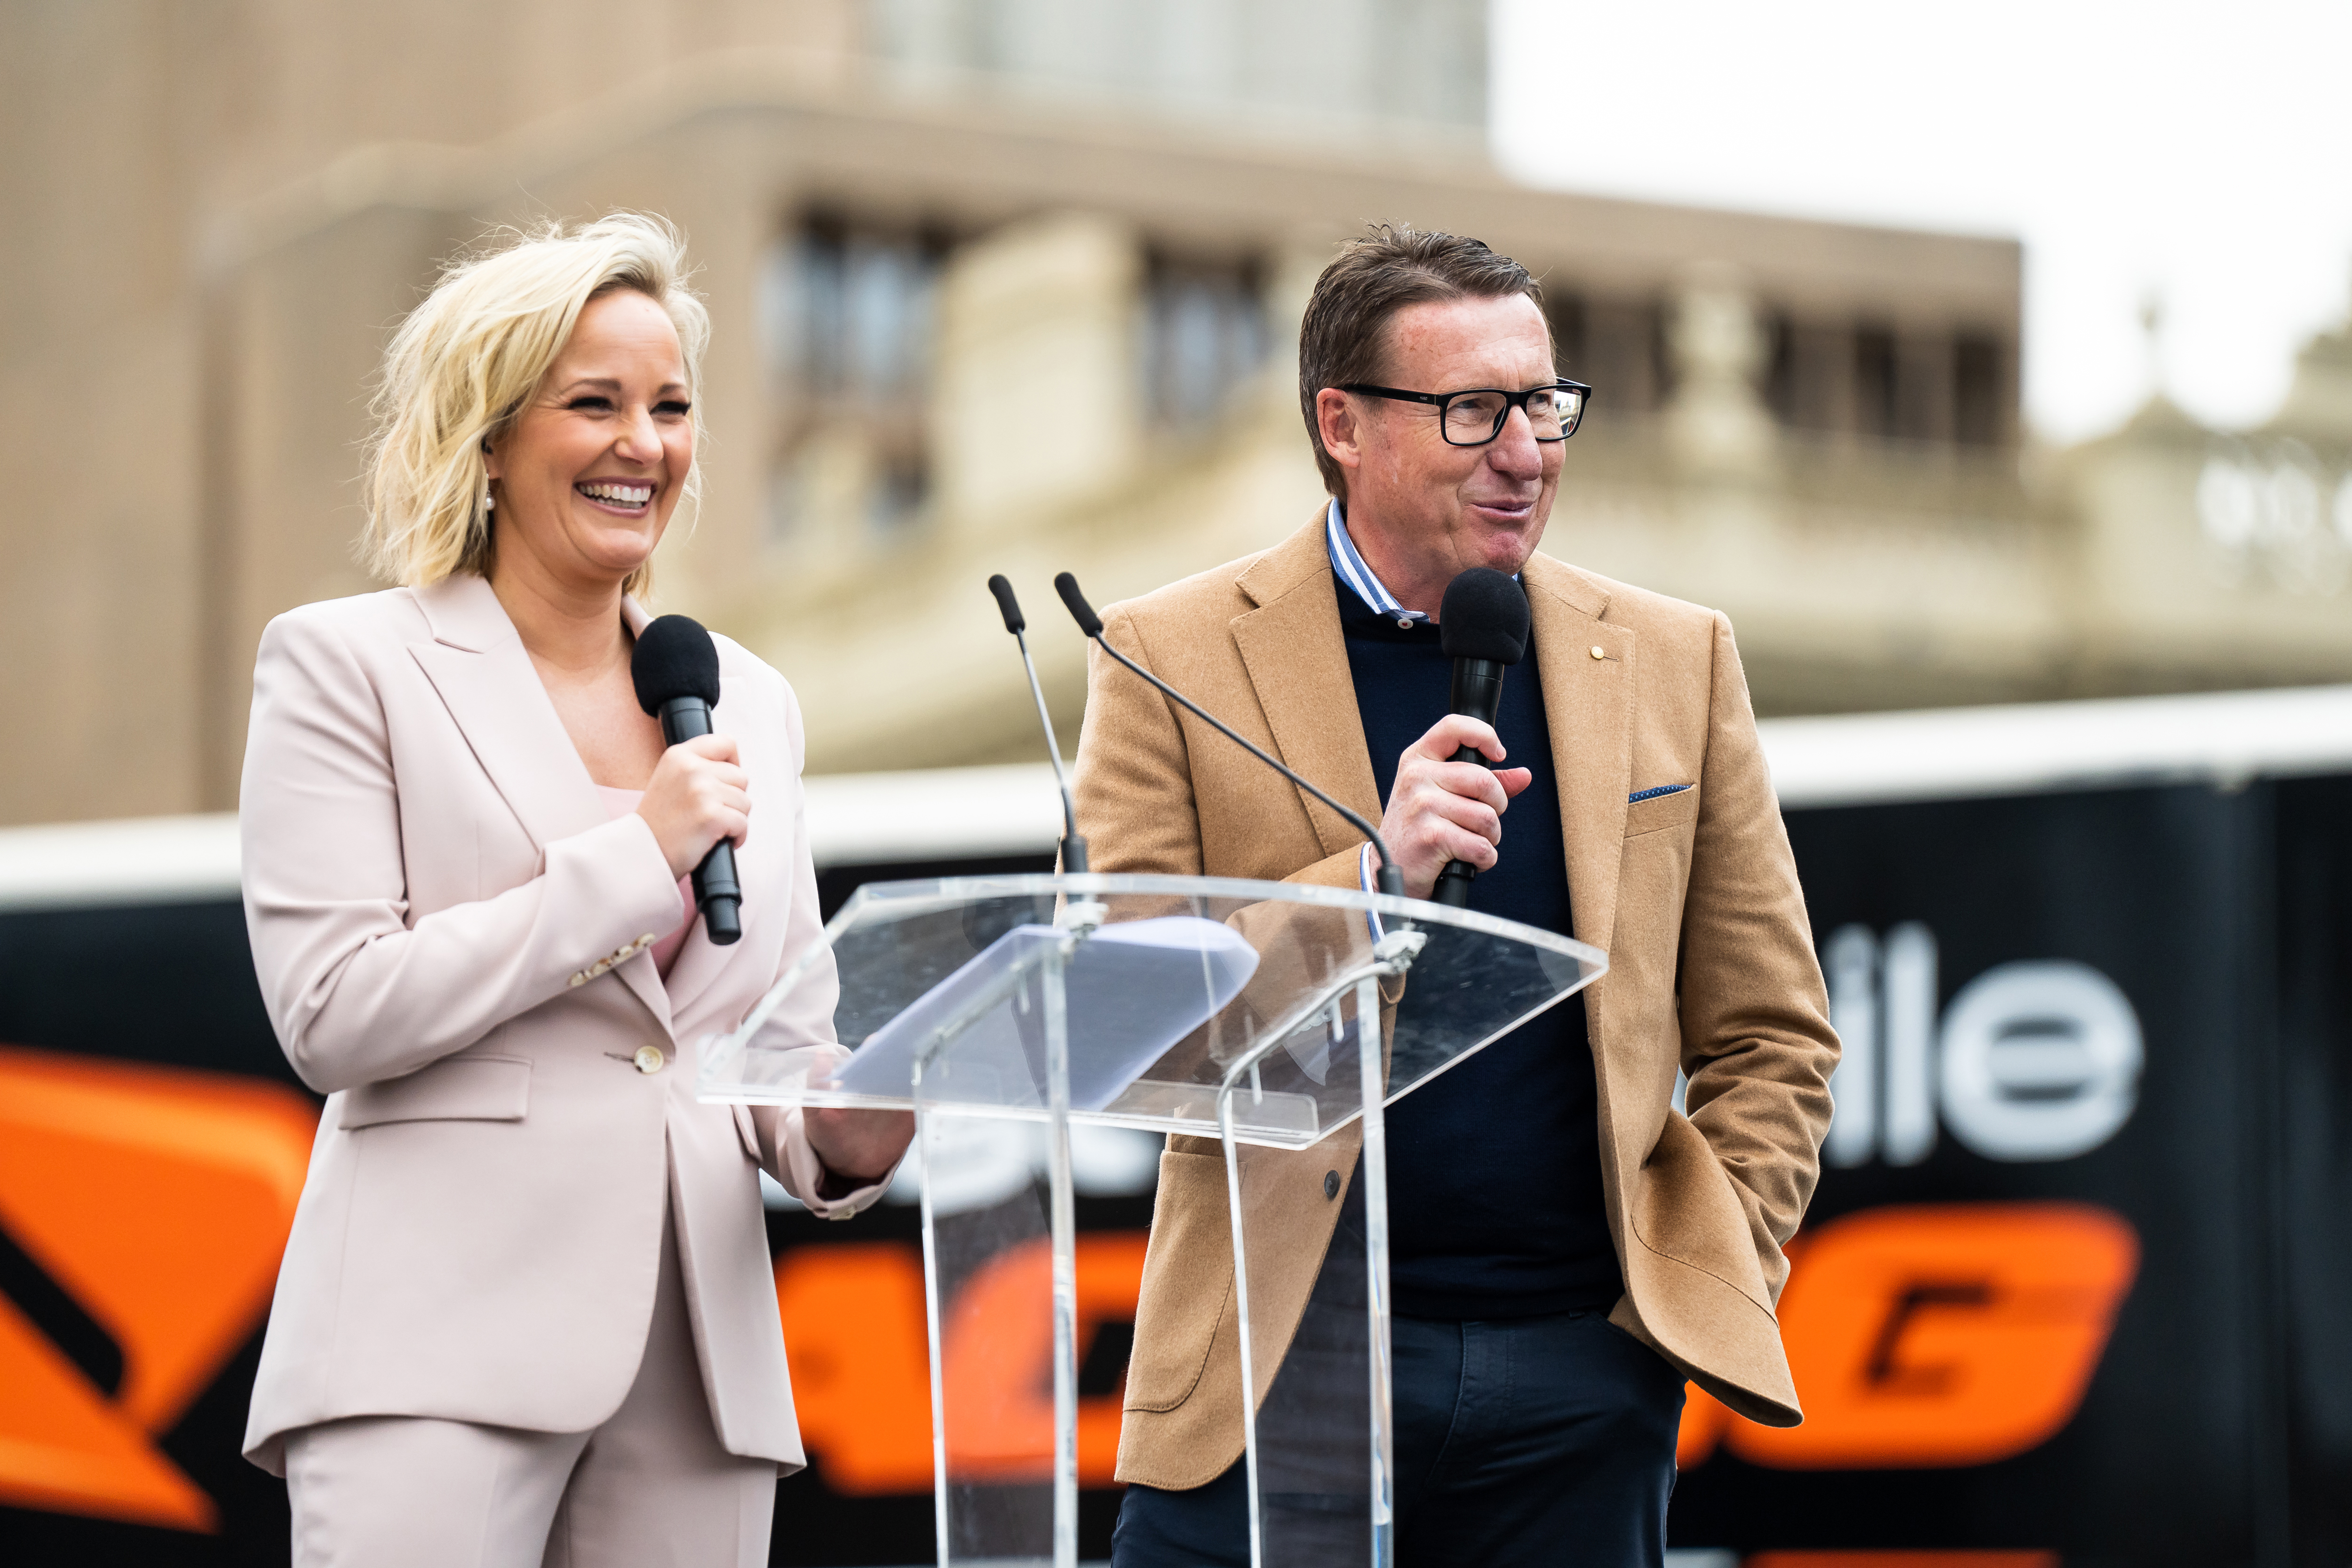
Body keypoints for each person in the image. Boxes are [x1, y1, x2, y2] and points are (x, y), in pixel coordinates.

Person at [1077, 226, 1840, 1566]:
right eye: (1474, 409)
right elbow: (1131, 1019)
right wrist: (1371, 880)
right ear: (1344, 425)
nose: (1528, 450)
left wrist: (1677, 1295)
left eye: (1544, 404)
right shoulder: (1165, 657)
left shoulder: (1677, 658)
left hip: (1576, 1396)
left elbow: (1774, 1035)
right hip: (1271, 1374)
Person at [237, 213, 914, 1568]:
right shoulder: (347, 664)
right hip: (435, 1345)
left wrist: (845, 1131)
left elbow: (765, 1037)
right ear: (486, 440)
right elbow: (333, 1012)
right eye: (592, 404)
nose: (643, 445)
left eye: (669, 408)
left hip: (700, 1363)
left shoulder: (746, 699)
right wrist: (632, 856)